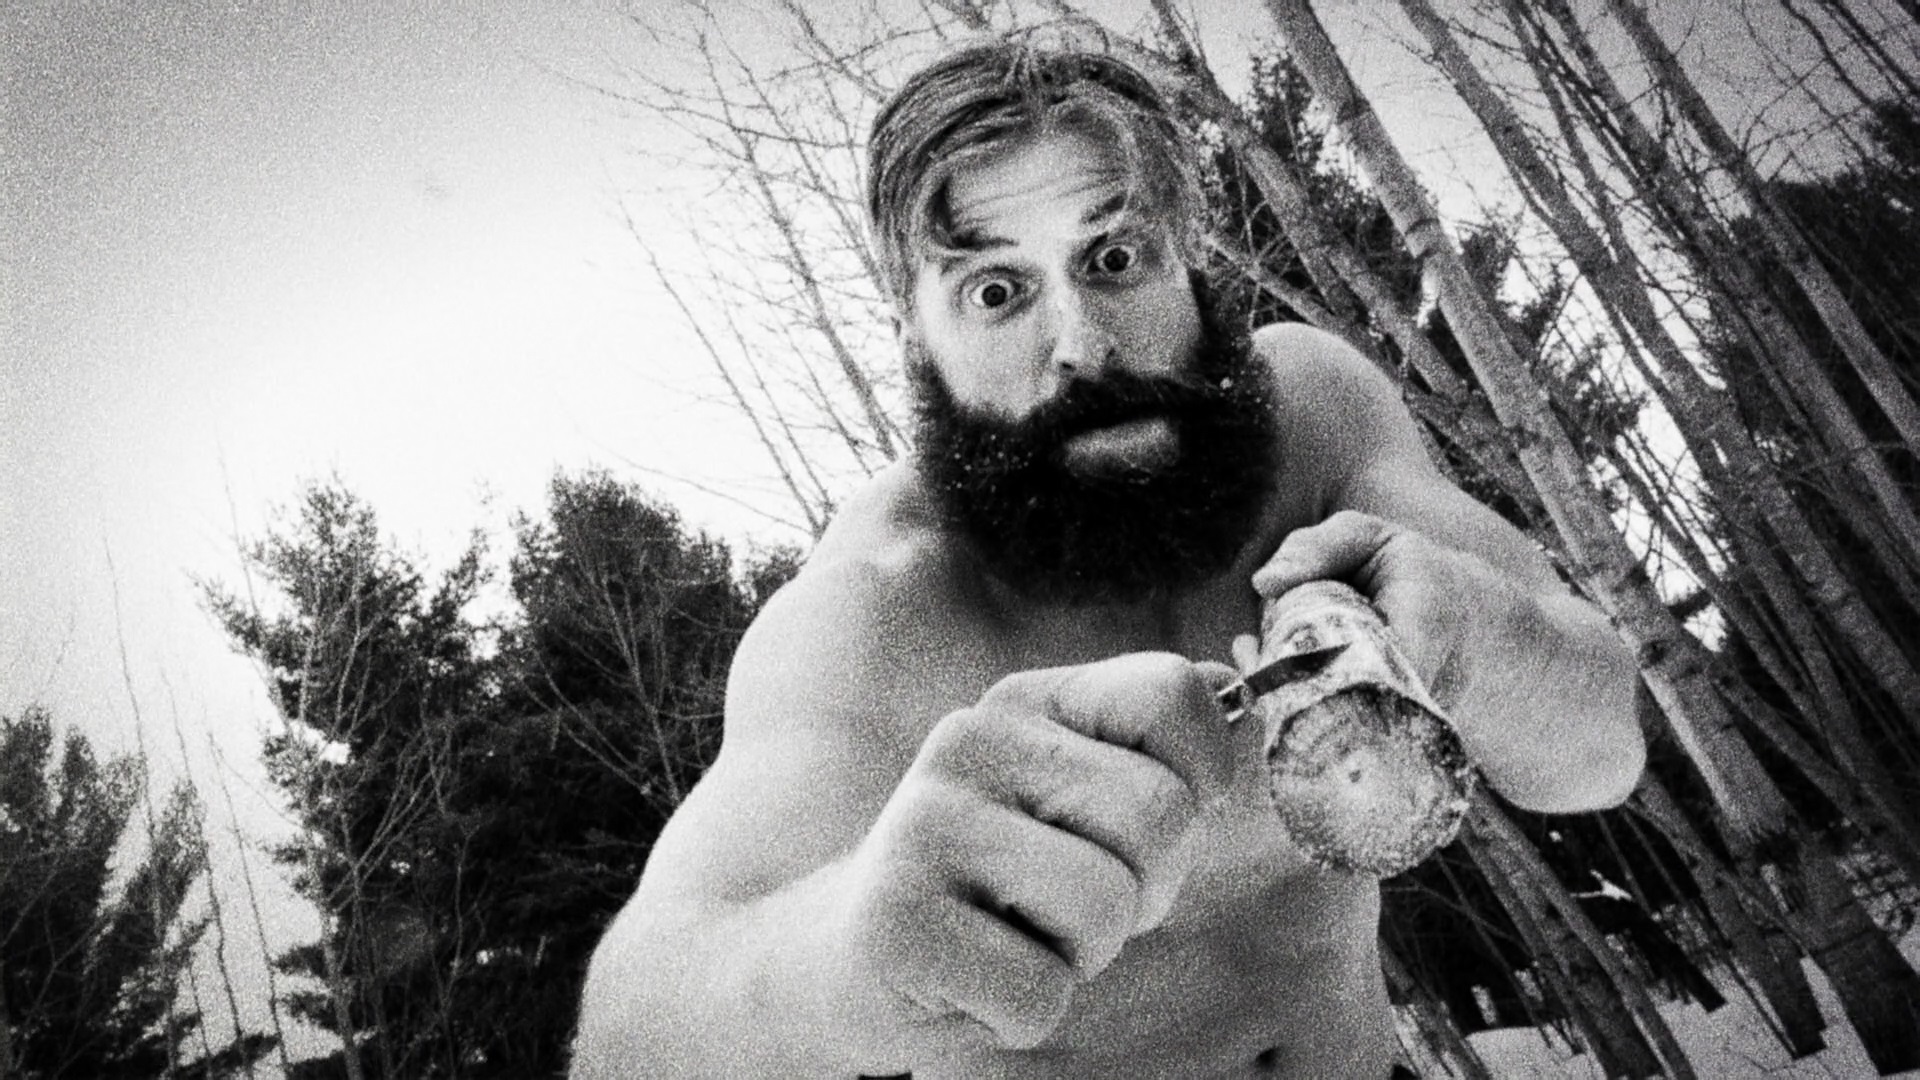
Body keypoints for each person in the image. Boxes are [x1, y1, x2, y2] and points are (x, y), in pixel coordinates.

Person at [571, 35, 1643, 1079]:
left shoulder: (1314, 426)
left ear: (1191, 269)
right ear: (916, 341)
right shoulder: (882, 610)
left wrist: (1478, 641)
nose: (1083, 343)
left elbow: (1603, 755)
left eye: (1116, 258)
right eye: (996, 291)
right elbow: (631, 1035)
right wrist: (847, 955)